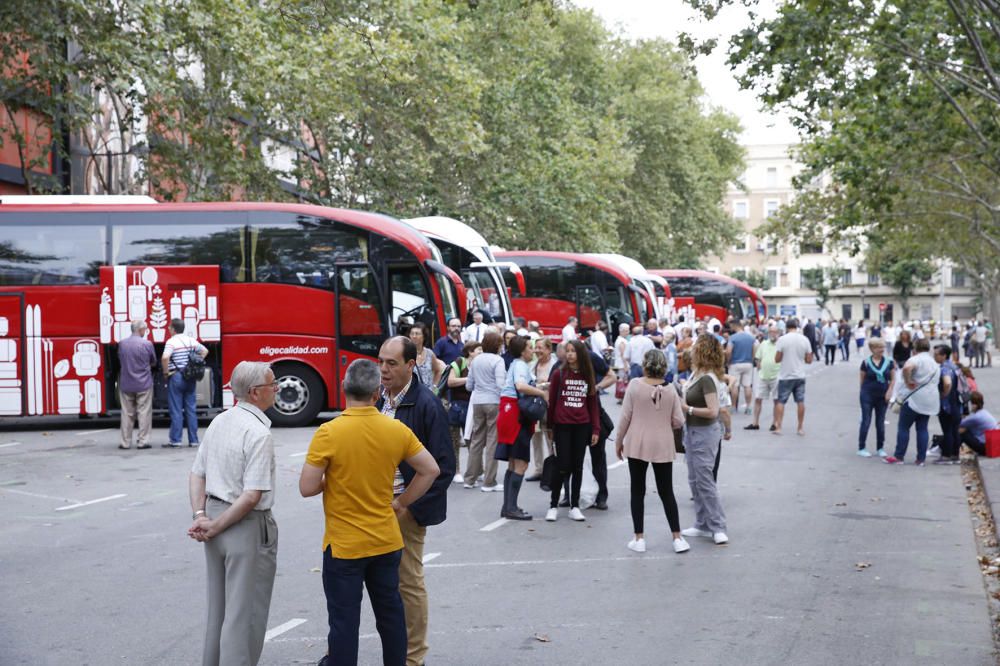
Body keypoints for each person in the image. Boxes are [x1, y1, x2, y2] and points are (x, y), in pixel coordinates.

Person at [300, 359, 440, 666]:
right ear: (377, 393)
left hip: (344, 546)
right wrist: (403, 503)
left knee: (344, 622)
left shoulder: (329, 432)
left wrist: (335, 477)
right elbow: (430, 469)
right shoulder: (395, 429)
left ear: (343, 388)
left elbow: (307, 487)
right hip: (386, 540)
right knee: (391, 616)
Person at [187, 361, 278, 666]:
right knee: (245, 615)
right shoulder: (258, 433)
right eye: (272, 384)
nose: (276, 389)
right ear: (255, 393)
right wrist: (214, 525)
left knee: (220, 610)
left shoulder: (220, 422)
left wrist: (201, 516)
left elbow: (197, 474)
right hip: (244, 524)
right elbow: (252, 495)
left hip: (214, 513)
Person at [376, 336, 454, 666]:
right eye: (380, 361)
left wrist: (409, 506)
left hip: (403, 507)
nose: (383, 369)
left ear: (411, 366)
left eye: (391, 363)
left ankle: (413, 657)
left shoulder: (426, 404)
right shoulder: (378, 400)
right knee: (382, 584)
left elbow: (444, 466)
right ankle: (396, 650)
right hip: (375, 506)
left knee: (408, 583)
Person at [616, 349, 689, 554]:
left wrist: (618, 441)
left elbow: (625, 418)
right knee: (666, 491)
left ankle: (639, 538)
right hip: (663, 443)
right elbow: (678, 421)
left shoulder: (635, 385)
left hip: (637, 441)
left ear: (645, 365)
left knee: (637, 490)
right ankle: (677, 537)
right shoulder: (671, 389)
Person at [679, 335, 729, 545]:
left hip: (704, 432)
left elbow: (713, 411)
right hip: (692, 431)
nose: (692, 347)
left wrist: (686, 408)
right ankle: (702, 523)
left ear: (703, 351)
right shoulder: (696, 374)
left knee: (704, 480)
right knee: (695, 479)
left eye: (696, 345)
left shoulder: (707, 378)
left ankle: (717, 526)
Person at [545, 339, 599, 522]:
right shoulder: (559, 374)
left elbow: (592, 404)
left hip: (582, 425)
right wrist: (549, 427)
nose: (569, 354)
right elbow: (552, 403)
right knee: (562, 465)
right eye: (567, 351)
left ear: (580, 354)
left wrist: (596, 429)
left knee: (577, 466)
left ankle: (574, 506)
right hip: (562, 425)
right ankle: (553, 505)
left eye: (573, 351)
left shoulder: (587, 374)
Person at [495, 335, 547, 520]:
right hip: (516, 416)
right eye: (530, 347)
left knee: (512, 462)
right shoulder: (520, 365)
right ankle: (511, 508)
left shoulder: (517, 365)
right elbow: (520, 386)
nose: (532, 350)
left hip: (509, 413)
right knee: (521, 463)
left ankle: (508, 506)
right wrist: (541, 392)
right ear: (522, 350)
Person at [884, 338, 940, 465]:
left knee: (904, 427)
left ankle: (899, 456)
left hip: (913, 399)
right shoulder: (934, 362)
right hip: (929, 400)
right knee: (922, 428)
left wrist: (908, 381)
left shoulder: (915, 359)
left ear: (915, 348)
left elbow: (906, 368)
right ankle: (921, 459)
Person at [463, 331, 506, 491]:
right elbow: (501, 384)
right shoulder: (498, 360)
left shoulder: (476, 360)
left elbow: (469, 385)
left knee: (476, 440)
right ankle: (489, 481)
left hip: (478, 402)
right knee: (492, 441)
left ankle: (470, 479)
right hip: (493, 401)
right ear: (497, 345)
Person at [162, 318, 208, 448]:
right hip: (190, 377)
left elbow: (165, 357)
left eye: (170, 327)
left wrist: (166, 373)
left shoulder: (171, 342)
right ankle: (193, 440)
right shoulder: (191, 340)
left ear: (174, 329)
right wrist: (195, 362)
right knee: (191, 409)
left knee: (176, 410)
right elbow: (205, 351)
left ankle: (176, 440)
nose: (169, 329)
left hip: (176, 376)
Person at [117, 319, 157, 450]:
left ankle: (125, 442)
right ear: (140, 330)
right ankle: (143, 441)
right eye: (145, 330)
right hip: (144, 383)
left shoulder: (122, 344)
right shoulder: (147, 344)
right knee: (144, 412)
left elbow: (120, 360)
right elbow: (153, 361)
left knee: (127, 413)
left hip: (126, 383)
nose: (145, 332)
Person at [446, 341, 480, 483]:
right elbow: (450, 381)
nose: (481, 352)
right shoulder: (459, 362)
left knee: (473, 440)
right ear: (470, 351)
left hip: (473, 406)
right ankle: (456, 471)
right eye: (479, 350)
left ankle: (476, 471)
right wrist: (468, 379)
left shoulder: (479, 364)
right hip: (457, 406)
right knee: (455, 441)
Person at [773, 318, 814, 436]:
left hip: (785, 376)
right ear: (797, 327)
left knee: (781, 401)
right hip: (800, 375)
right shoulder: (804, 339)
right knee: (800, 401)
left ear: (786, 327)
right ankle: (800, 428)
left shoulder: (782, 339)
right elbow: (809, 360)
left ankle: (779, 427)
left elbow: (777, 359)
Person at [857, 338, 895, 457]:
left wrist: (889, 391)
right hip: (867, 395)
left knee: (880, 422)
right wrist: (863, 393)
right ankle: (861, 447)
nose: (882, 350)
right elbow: (862, 381)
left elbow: (893, 379)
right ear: (872, 349)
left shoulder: (889, 362)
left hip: (883, 396)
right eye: (879, 347)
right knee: (866, 421)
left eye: (883, 347)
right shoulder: (866, 362)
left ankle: (880, 448)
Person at [528, 337, 556, 481]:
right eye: (536, 347)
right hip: (535, 407)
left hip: (550, 406)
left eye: (541, 348)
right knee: (535, 437)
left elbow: (556, 383)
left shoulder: (555, 364)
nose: (537, 351)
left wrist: (541, 384)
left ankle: (552, 469)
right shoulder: (532, 365)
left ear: (549, 349)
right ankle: (538, 469)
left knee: (550, 438)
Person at [745, 325, 780, 431]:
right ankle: (755, 423)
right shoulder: (764, 344)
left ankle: (775, 423)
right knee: (758, 399)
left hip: (776, 375)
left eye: (774, 332)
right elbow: (757, 357)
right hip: (763, 375)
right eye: (770, 332)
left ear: (778, 333)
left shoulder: (781, 344)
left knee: (776, 400)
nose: (772, 334)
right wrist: (759, 365)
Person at [932, 344, 962, 464]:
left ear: (944, 355)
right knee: (955, 430)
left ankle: (946, 456)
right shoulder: (955, 366)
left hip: (947, 404)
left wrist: (943, 395)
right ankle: (955, 455)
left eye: (936, 354)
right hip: (956, 402)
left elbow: (947, 383)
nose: (934, 357)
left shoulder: (944, 368)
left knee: (947, 430)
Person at [725, 320, 757, 414]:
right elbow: (755, 348)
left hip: (735, 363)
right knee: (747, 385)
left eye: (731, 326)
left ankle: (734, 407)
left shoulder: (733, 338)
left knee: (735, 385)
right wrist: (751, 358)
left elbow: (728, 351)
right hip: (748, 363)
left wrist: (728, 361)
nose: (731, 328)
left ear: (735, 326)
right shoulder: (750, 337)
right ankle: (748, 407)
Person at [408, 322, 445, 391]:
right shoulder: (406, 354)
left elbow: (438, 370)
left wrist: (434, 387)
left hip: (427, 395)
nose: (414, 336)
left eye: (417, 334)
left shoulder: (429, 353)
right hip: (411, 395)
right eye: (412, 333)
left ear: (424, 336)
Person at [959, 391, 997, 456]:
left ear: (974, 405)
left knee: (962, 432)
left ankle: (951, 449)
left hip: (984, 448)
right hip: (992, 445)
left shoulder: (976, 417)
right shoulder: (984, 412)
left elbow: (958, 423)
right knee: (966, 428)